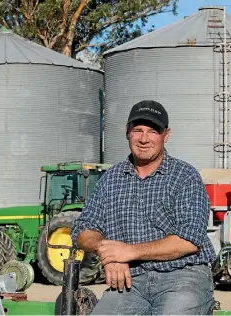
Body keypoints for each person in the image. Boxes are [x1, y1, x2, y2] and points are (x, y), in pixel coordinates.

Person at [71, 100, 216, 315]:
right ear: (127, 132)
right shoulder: (110, 179)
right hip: (130, 281)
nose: (144, 139)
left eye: (153, 131)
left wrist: (127, 252)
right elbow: (82, 230)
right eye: (137, 130)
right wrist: (109, 252)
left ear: (166, 135)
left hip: (183, 276)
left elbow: (189, 239)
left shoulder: (185, 176)